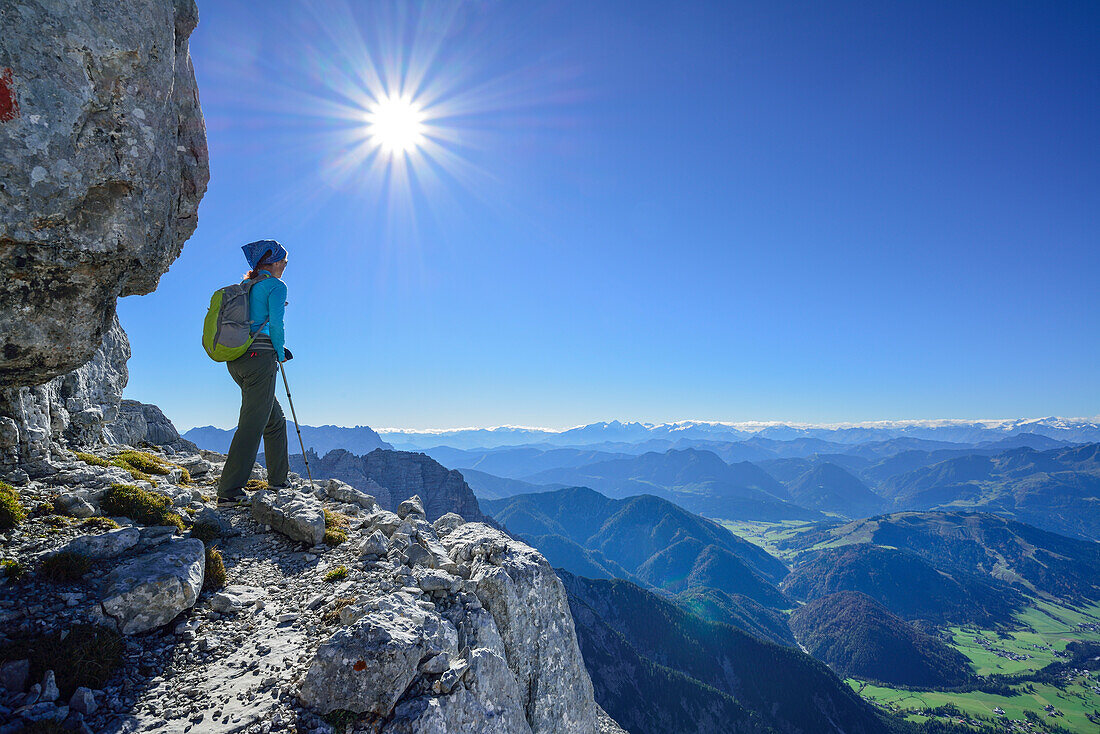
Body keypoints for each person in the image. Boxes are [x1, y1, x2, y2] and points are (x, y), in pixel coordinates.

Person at [217, 239, 294, 503]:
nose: (284, 265)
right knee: (252, 424)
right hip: (260, 359)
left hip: (237, 360)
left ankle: (278, 480)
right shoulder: (275, 286)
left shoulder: (245, 287)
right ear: (272, 263)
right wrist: (280, 351)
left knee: (274, 420)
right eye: (283, 261)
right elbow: (277, 324)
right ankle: (229, 491)